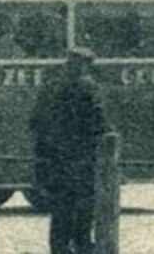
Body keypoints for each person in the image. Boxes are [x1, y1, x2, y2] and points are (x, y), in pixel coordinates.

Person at [30, 48, 106, 254]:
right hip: (80, 160)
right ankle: (82, 247)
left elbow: (34, 121)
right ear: (85, 65)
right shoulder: (87, 87)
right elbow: (98, 123)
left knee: (60, 209)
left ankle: (59, 248)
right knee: (83, 208)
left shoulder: (49, 86)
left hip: (52, 158)